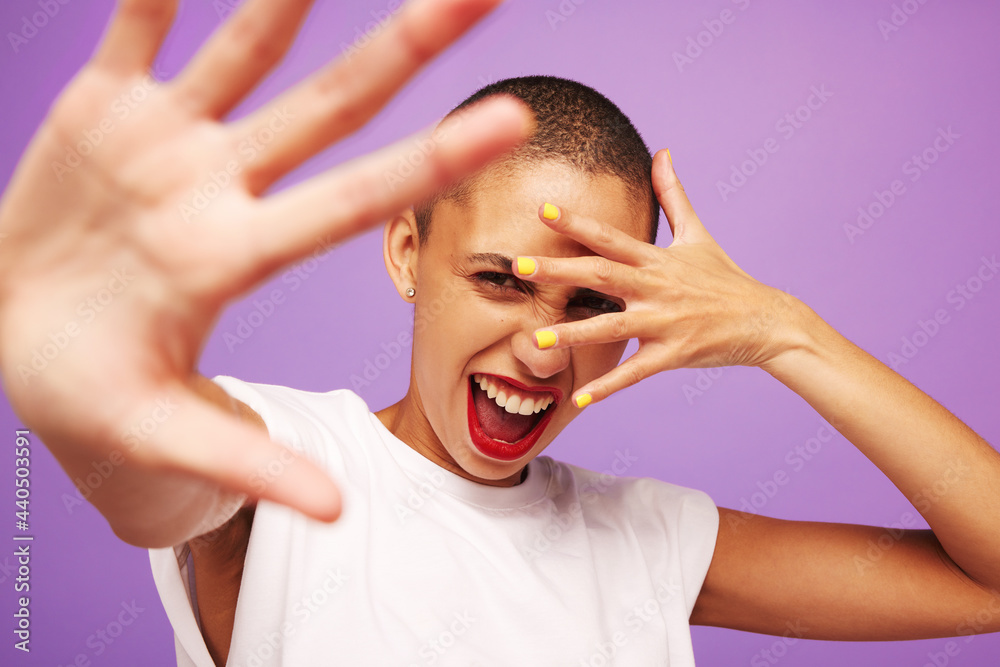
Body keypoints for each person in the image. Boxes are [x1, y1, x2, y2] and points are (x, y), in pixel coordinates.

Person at [0, 0, 997, 665]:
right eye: (498, 281)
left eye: (590, 302)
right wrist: (84, 378)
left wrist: (785, 332)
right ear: (404, 255)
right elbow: (153, 467)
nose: (541, 348)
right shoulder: (281, 460)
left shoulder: (643, 538)